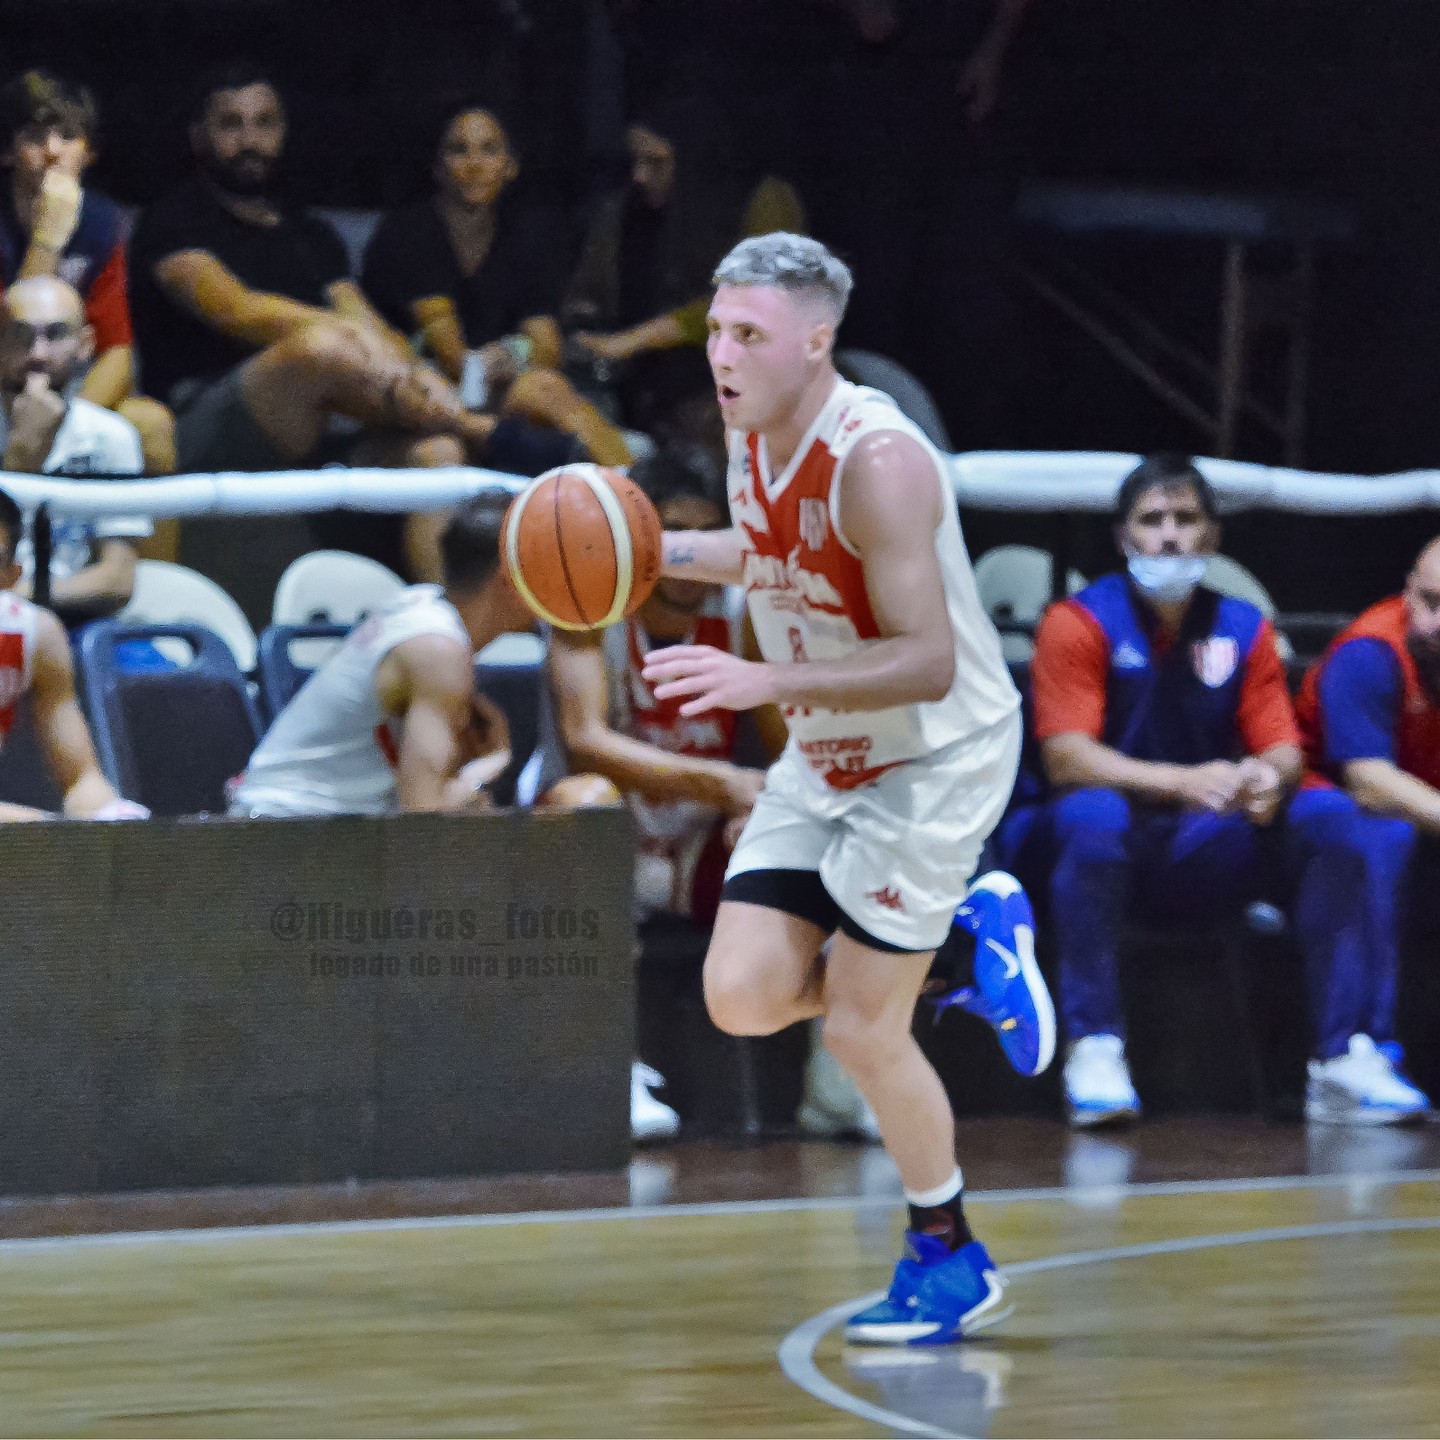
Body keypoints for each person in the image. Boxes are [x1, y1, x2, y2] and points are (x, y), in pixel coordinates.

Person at [640, 233, 1051, 1345]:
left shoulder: (881, 460)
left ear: (815, 341)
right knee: (742, 996)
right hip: (827, 753)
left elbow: (930, 659)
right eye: (717, 330)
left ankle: (948, 1254)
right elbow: (773, 549)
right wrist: (658, 549)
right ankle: (964, 952)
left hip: (931, 758)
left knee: (864, 1031)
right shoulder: (748, 430)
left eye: (749, 335)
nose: (721, 353)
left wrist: (760, 675)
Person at [1008, 454, 1428, 1128]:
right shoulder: (1075, 623)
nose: (1170, 535)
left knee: (1333, 817)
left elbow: (1282, 744)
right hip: (1089, 844)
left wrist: (1269, 778)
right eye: (1152, 521)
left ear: (1213, 537)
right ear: (1124, 538)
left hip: (1199, 841)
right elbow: (1066, 759)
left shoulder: (1243, 627)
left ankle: (1342, 1059)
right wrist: (1182, 782)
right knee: (1092, 815)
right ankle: (1095, 1047)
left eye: (1186, 520)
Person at [229, 487, 616, 819]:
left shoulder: (422, 609)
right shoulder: (438, 652)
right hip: (279, 840)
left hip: (289, 827)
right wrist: (488, 766)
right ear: (512, 580)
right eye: (552, 568)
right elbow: (424, 825)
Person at [360, 97, 630, 470]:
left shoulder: (526, 235)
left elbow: (547, 347)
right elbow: (453, 359)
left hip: (488, 400)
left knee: (545, 388)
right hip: (411, 397)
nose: (474, 165)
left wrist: (514, 355)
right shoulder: (409, 233)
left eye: (489, 150)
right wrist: (508, 358)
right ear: (437, 168)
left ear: (511, 167)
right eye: (459, 150)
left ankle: (635, 490)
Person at [565, 96, 805, 433]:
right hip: (635, 389)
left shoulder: (761, 200)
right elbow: (587, 293)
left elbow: (762, 299)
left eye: (656, 162)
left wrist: (639, 338)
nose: (639, 175)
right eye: (635, 160)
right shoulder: (625, 216)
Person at [0, 69, 174, 474]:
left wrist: (68, 420)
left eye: (67, 136)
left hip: (64, 388)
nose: (52, 150)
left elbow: (118, 353)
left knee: (152, 425)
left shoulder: (102, 223)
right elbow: (12, 339)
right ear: (7, 152)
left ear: (89, 153)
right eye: (34, 137)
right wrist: (48, 238)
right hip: (5, 385)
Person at [0, 277, 151, 623]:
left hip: (80, 620)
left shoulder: (112, 437)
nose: (37, 354)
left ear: (85, 345)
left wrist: (25, 596)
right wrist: (20, 459)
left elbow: (118, 580)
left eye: (55, 335)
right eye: (21, 335)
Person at [0, 482, 148, 820]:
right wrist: (51, 830)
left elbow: (82, 778)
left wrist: (110, 816)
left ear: (11, 577)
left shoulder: (34, 634)